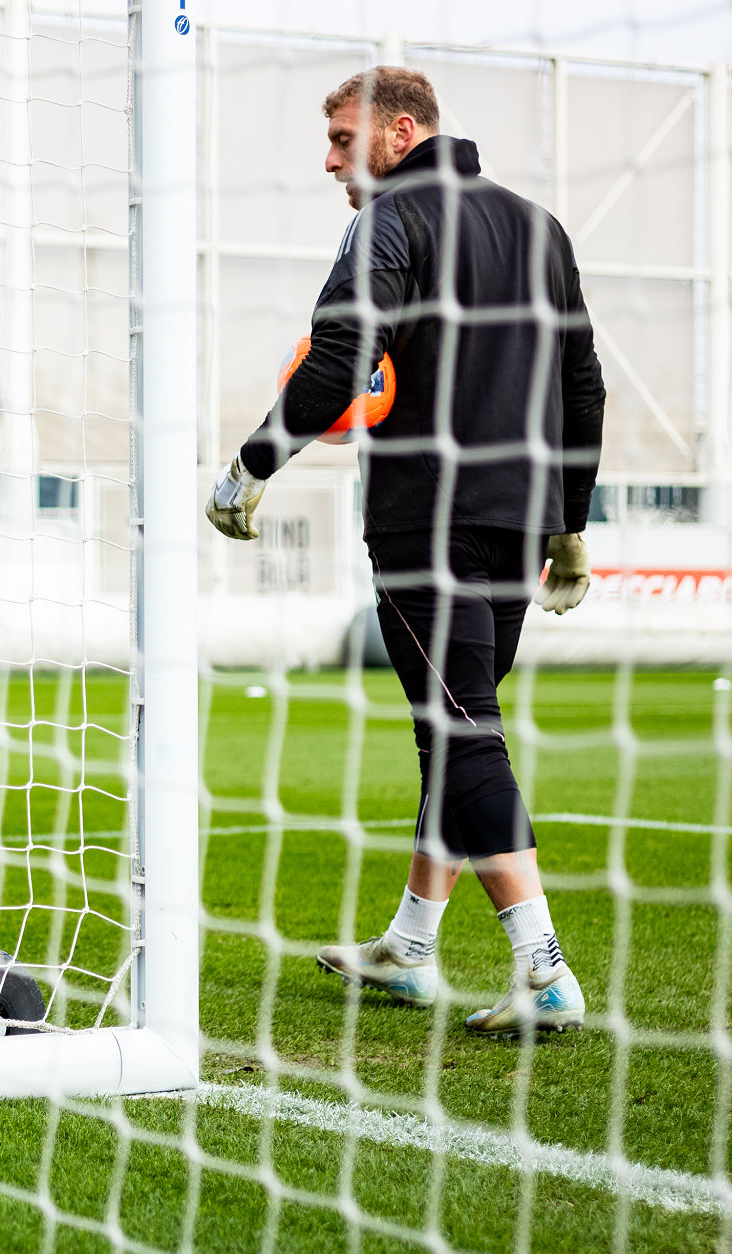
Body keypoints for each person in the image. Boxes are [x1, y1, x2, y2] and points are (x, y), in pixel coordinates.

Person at [205, 66, 606, 1035]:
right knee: (451, 728)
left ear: (398, 131)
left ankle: (543, 969)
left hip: (427, 519)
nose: (333, 162)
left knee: (463, 730)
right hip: (516, 521)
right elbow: (581, 383)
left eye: (343, 140)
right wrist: (568, 521)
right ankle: (410, 947)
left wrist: (249, 468)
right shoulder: (536, 227)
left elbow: (339, 353)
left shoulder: (388, 219)